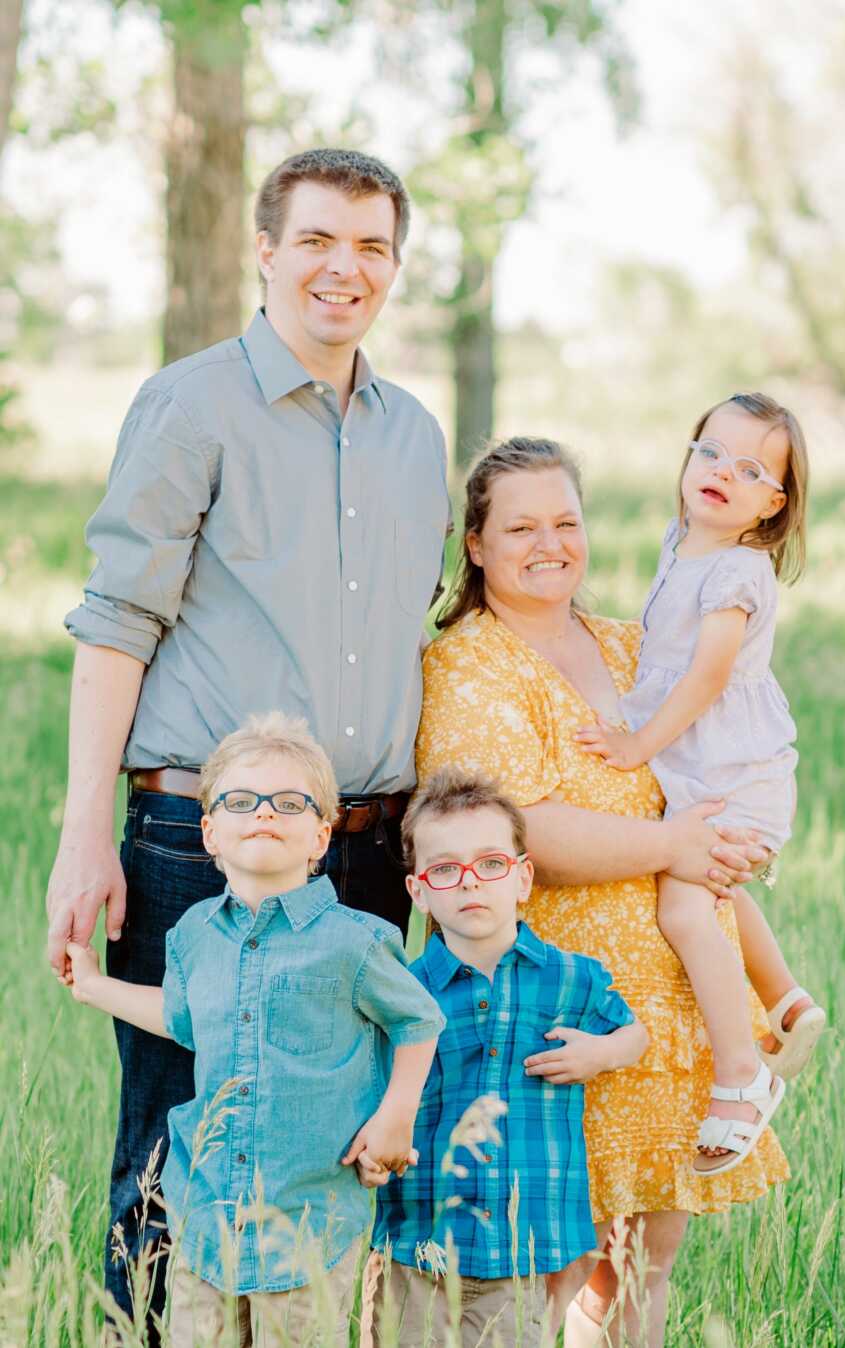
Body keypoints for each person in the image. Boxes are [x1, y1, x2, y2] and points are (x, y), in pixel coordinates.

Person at [46, 148, 450, 1332]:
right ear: (265, 250)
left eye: (372, 245)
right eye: (318, 239)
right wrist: (87, 837)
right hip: (198, 839)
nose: (346, 267)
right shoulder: (192, 402)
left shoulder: (414, 433)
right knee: (186, 1132)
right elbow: (117, 622)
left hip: (366, 850)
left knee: (336, 1143)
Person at [413, 437, 808, 1348]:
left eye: (565, 521)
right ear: (475, 544)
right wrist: (680, 840)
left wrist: (736, 832)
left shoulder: (634, 646)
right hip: (551, 1005)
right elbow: (520, 836)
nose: (548, 543)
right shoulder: (467, 666)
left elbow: (714, 757)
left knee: (638, 1265)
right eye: (520, 527)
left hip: (662, 1004)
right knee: (538, 1270)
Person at [61, 712, 445, 1347]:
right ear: (209, 831)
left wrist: (396, 1116)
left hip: (308, 1220)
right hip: (206, 1214)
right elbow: (183, 1018)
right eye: (241, 801)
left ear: (322, 835)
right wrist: (95, 986)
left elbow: (417, 1019)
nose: (264, 813)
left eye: (289, 802)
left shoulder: (356, 942)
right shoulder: (191, 936)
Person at [581, 393, 826, 1175]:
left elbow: (708, 676)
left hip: (730, 772)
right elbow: (662, 646)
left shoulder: (739, 571)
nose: (724, 472)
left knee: (687, 905)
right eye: (712, 452)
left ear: (772, 506)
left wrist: (635, 743)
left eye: (752, 468)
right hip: (703, 768)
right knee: (714, 883)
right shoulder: (681, 541)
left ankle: (741, 1077)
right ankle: (784, 999)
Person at [360, 769, 648, 1347]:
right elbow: (372, 1090)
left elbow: (635, 1034)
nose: (471, 884)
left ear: (523, 879)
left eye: (491, 864)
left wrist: (602, 1054)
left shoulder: (572, 978)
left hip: (523, 1245)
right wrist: (371, 1150)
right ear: (417, 892)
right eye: (445, 869)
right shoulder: (399, 992)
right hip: (417, 1239)